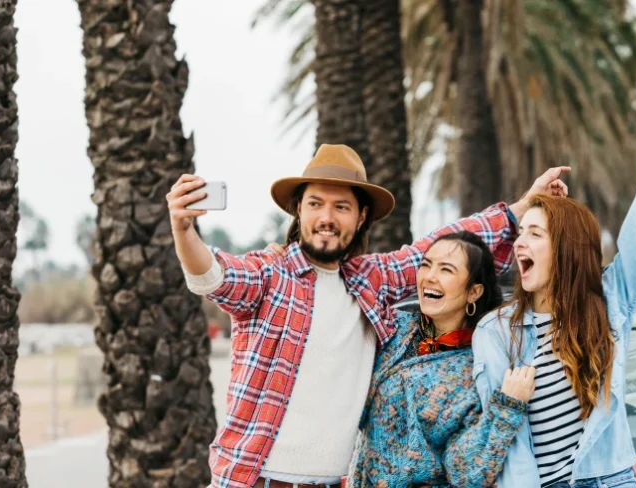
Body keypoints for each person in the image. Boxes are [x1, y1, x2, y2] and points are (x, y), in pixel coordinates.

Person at [165, 143, 568, 488]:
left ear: (360, 218)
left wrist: (524, 205)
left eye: (341, 206)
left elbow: (450, 245)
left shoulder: (371, 280)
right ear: (298, 211)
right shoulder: (269, 275)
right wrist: (183, 230)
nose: (327, 216)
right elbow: (215, 277)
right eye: (315, 204)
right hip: (256, 480)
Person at [471, 52, 636, 488]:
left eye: (536, 235)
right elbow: (506, 447)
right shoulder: (496, 332)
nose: (520, 242)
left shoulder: (610, 301)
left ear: (568, 250)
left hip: (610, 478)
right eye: (521, 234)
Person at [268, 231, 536, 487]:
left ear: (474, 292)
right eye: (427, 265)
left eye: (446, 269)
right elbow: (334, 305)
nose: (430, 277)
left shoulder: (477, 365)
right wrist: (291, 270)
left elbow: (465, 473)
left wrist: (507, 409)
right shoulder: (393, 327)